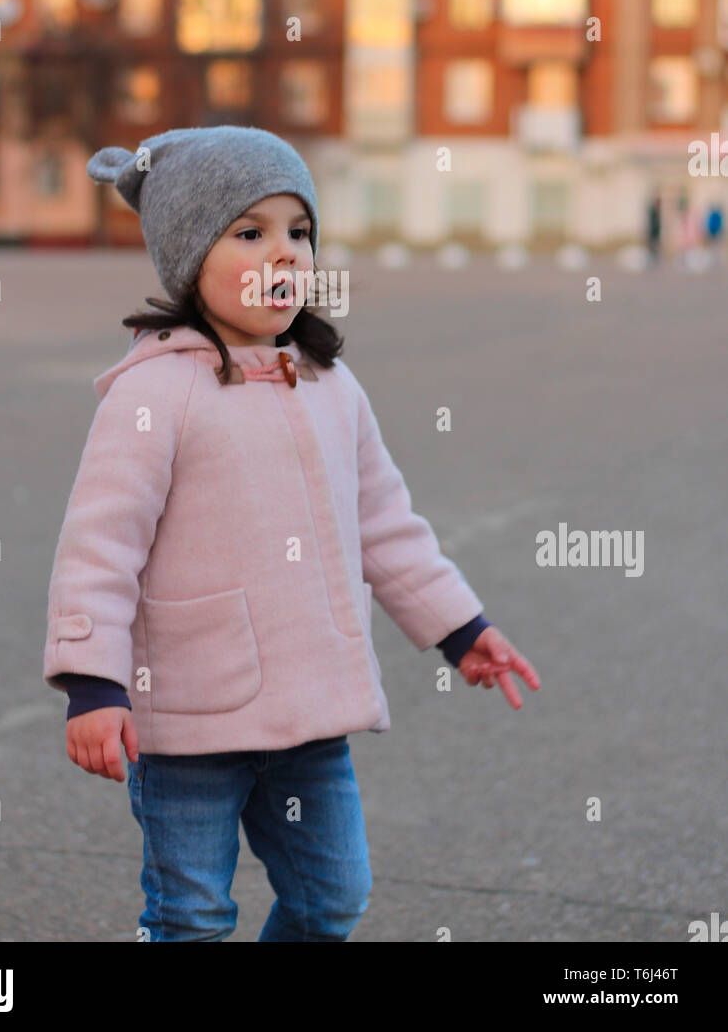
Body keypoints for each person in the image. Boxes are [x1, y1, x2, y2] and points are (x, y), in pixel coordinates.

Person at [42, 124, 539, 942]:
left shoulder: (332, 387)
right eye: (250, 233)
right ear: (188, 256)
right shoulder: (156, 392)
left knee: (333, 896)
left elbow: (386, 523)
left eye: (298, 233)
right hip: (192, 723)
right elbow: (99, 548)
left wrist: (460, 628)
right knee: (193, 914)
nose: (284, 255)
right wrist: (92, 686)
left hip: (311, 721)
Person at [645, 191, 662, 265]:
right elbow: (652, 223)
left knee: (655, 246)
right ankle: (651, 259)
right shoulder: (653, 210)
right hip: (652, 232)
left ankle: (654, 259)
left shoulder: (657, 211)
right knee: (652, 246)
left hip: (655, 232)